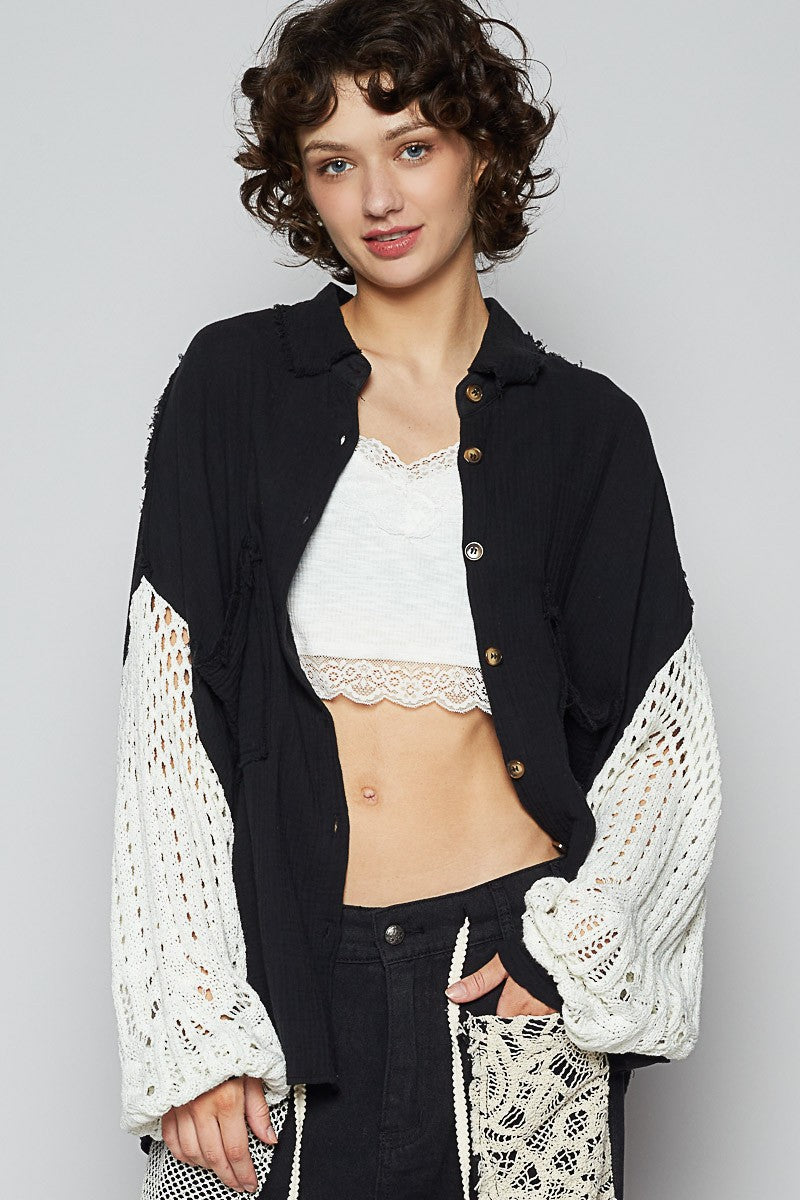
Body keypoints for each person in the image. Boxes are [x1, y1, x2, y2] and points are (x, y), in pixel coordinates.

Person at [110, 2, 723, 1198]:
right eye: (334, 163)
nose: (378, 197)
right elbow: (167, 724)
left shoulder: (586, 430)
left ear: (479, 150)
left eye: (411, 146)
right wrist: (196, 1015)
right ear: (302, 186)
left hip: (504, 978)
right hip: (277, 984)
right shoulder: (231, 386)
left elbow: (661, 741)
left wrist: (560, 956)